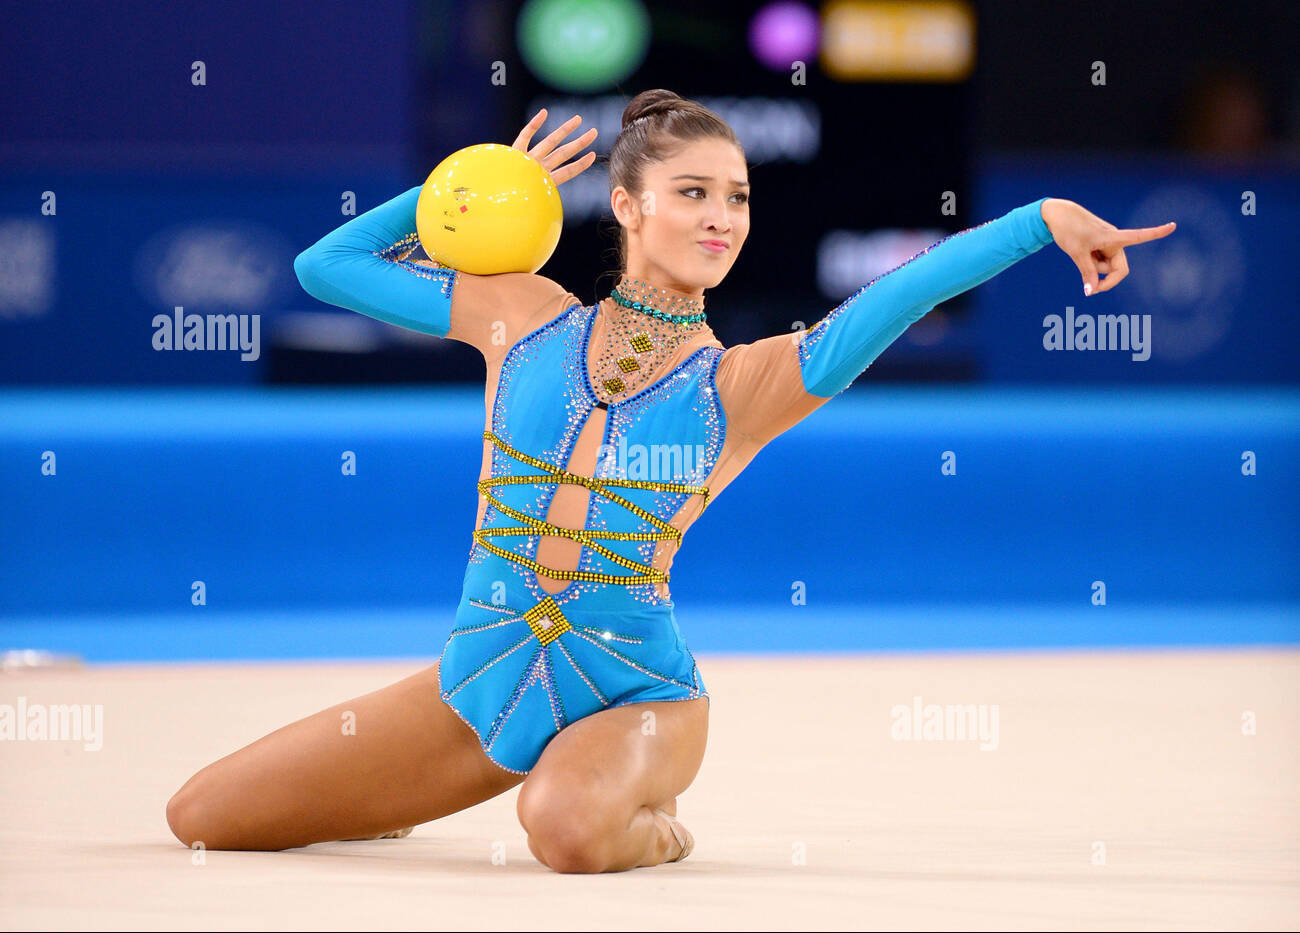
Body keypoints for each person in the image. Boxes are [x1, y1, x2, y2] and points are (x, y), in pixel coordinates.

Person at [165, 89, 1175, 873]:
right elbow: (325, 265)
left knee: (559, 825)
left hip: (632, 693)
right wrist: (460, 190)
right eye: (693, 192)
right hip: (476, 680)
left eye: (736, 196)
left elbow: (903, 291)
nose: (720, 216)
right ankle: (406, 797)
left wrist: (1039, 220)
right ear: (627, 206)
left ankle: (656, 827)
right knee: (200, 816)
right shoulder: (520, 312)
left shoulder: (743, 381)